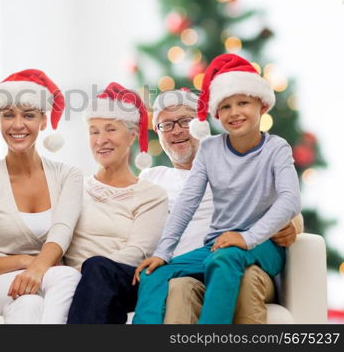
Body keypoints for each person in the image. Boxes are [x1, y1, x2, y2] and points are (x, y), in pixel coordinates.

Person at [132, 53, 301, 324]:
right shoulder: (210, 150)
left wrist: (247, 238)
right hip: (217, 246)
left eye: (243, 103)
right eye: (225, 106)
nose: (234, 112)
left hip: (260, 246)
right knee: (157, 273)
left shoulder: (276, 148)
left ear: (262, 105)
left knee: (223, 259)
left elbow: (290, 201)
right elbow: (188, 201)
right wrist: (163, 252)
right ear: (216, 115)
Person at [0, 69, 83, 324]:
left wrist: (35, 270)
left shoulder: (68, 176)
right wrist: (27, 263)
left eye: (29, 115)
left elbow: (61, 232)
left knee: (30, 303)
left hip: (40, 281)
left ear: (44, 121)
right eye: (8, 115)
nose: (18, 124)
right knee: (64, 277)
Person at [65, 82, 168, 323]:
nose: (101, 140)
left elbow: (137, 252)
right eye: (94, 131)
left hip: (126, 280)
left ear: (132, 135)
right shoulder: (73, 186)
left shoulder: (151, 195)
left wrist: (86, 270)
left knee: (98, 268)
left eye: (111, 129)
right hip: (73, 279)